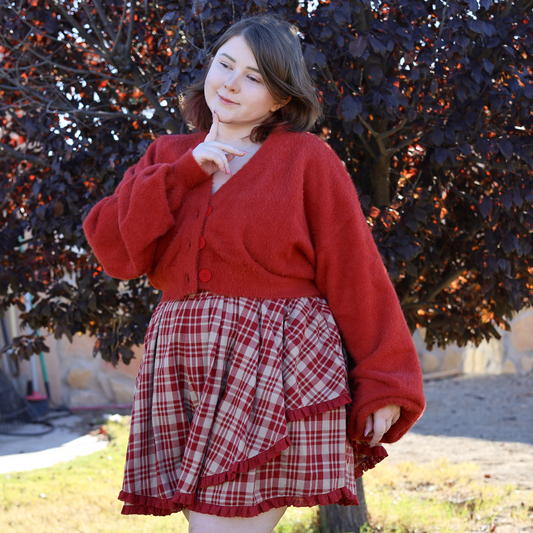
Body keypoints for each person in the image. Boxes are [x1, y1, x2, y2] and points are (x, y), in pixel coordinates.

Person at [83, 14, 425, 533]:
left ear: (281, 99)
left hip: (274, 364)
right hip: (183, 369)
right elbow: (114, 248)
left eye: (254, 77)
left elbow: (356, 273)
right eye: (225, 64)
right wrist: (183, 174)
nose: (231, 83)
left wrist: (386, 381)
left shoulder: (307, 160)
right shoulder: (168, 156)